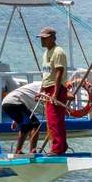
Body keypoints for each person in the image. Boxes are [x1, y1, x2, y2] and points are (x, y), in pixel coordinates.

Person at [37, 26, 69, 155]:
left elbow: (59, 72)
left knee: (55, 119)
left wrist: (55, 93)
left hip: (57, 88)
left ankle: (58, 148)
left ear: (52, 38)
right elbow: (46, 74)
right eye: (41, 38)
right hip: (48, 88)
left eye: (44, 38)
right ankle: (60, 145)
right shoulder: (45, 53)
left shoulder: (58, 51)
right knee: (51, 120)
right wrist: (41, 90)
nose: (42, 41)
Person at [1, 80, 43, 156]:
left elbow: (27, 108)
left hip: (6, 102)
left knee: (25, 126)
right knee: (36, 124)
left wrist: (15, 120)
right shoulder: (42, 85)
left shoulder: (34, 87)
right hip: (15, 102)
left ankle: (18, 150)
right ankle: (32, 151)